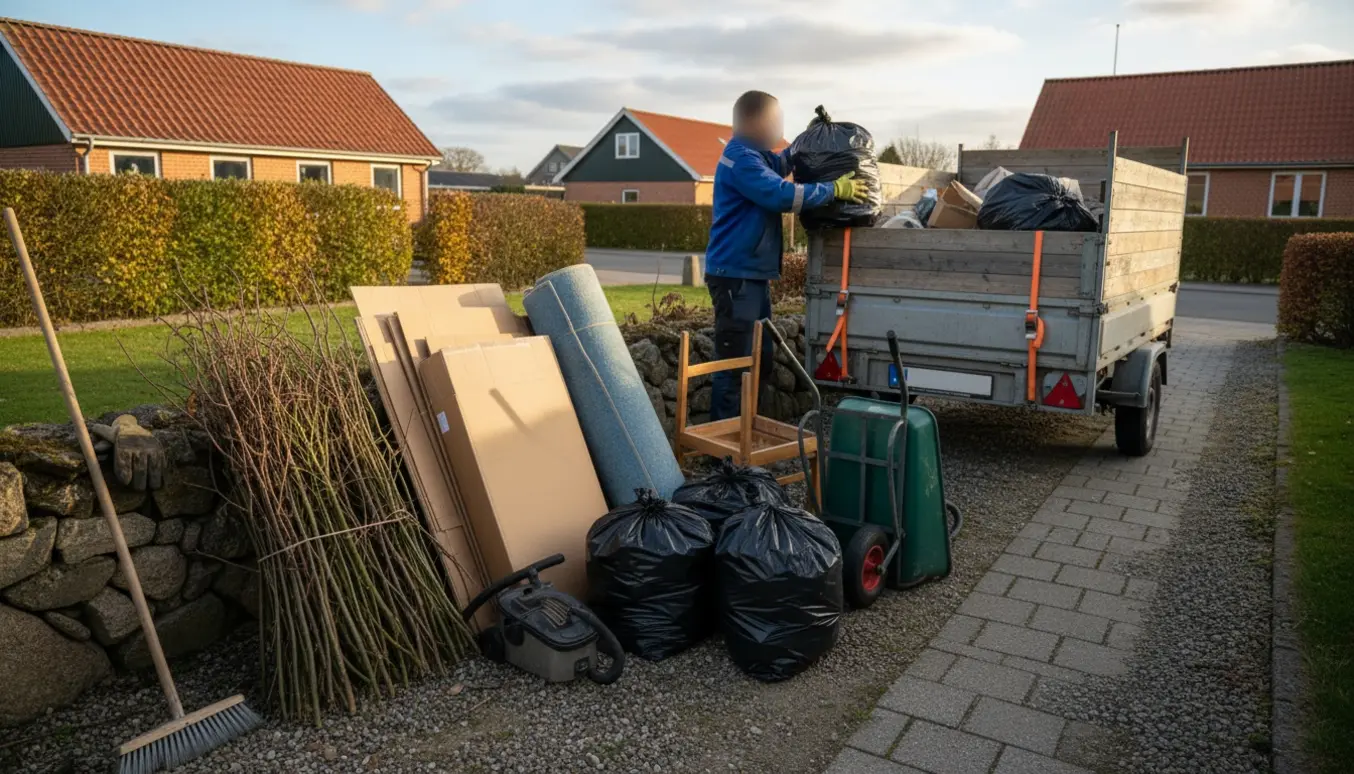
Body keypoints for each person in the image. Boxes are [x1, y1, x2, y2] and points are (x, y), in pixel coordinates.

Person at [705, 90, 865, 421]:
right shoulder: (742, 160)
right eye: (775, 120)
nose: (779, 128)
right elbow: (780, 194)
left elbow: (781, 163)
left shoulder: (755, 155)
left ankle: (747, 435)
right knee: (737, 363)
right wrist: (834, 190)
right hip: (736, 277)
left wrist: (803, 144)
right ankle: (724, 453)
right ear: (754, 122)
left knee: (758, 358)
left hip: (752, 276)